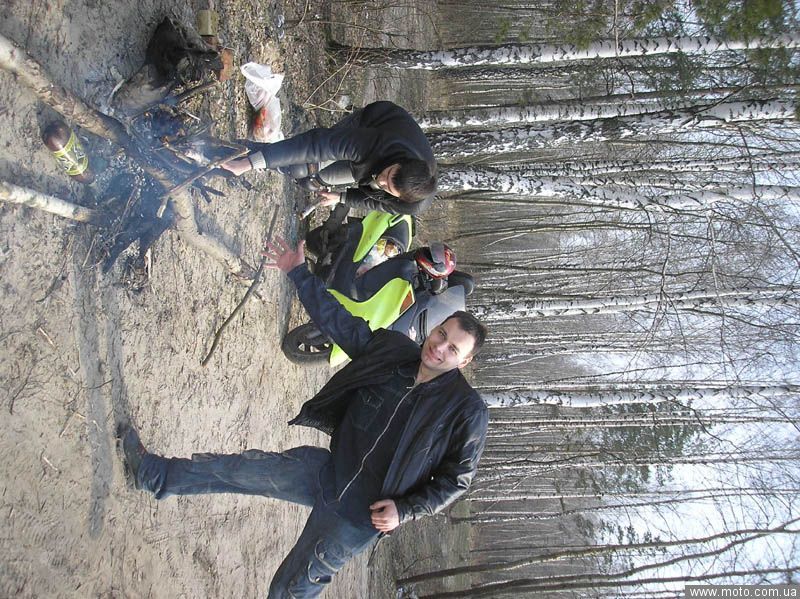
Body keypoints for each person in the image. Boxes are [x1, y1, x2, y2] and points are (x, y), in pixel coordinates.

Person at [121, 237, 488, 598]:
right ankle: (154, 475)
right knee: (236, 469)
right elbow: (341, 323)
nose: (439, 347)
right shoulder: (394, 351)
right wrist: (298, 272)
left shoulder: (466, 410)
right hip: (326, 472)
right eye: (441, 333)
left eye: (453, 348)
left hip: (359, 516)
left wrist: (404, 511)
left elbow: (457, 479)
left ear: (465, 361)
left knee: (289, 589)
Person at [222, 101, 437, 215]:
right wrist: (250, 164)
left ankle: (251, 159)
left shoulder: (410, 205)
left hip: (368, 164)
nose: (381, 180)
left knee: (311, 182)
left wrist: (341, 198)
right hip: (372, 121)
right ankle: (242, 153)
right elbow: (317, 145)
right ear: (398, 163)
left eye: (388, 187)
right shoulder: (377, 144)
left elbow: (377, 203)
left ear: (400, 197)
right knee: (300, 168)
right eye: (388, 174)